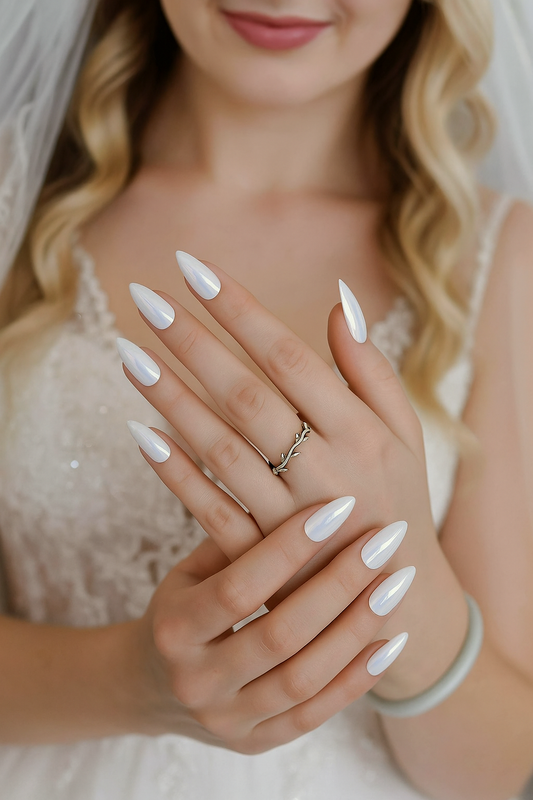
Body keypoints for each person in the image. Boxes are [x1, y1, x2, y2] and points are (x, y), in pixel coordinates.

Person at [0, 1, 532, 798]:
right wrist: (129, 681)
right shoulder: (16, 206)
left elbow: (495, 771)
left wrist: (409, 592)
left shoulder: (493, 261)